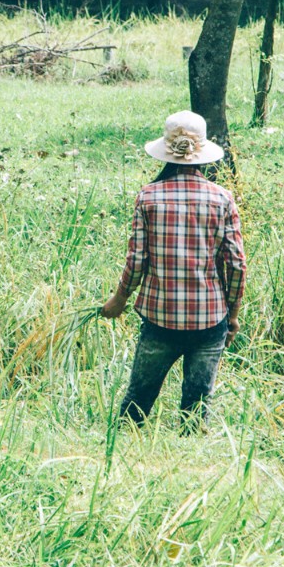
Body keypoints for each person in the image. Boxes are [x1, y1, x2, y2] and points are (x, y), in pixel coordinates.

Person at [98, 110, 247, 430]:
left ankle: (121, 451)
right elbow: (236, 264)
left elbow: (136, 260)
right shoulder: (222, 198)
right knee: (196, 408)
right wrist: (232, 314)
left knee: (136, 404)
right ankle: (189, 460)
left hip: (159, 318)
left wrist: (119, 299)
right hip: (209, 319)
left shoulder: (148, 197)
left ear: (166, 153)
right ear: (203, 155)